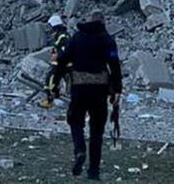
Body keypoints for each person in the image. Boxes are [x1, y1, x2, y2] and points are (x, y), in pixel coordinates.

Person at [51, 11, 122, 181]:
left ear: (89, 21)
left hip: (79, 86)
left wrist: (55, 83)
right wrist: (117, 90)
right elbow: (114, 65)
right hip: (99, 88)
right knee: (97, 130)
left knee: (75, 121)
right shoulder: (107, 39)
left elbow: (62, 60)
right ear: (103, 22)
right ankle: (94, 172)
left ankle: (80, 150)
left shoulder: (77, 37)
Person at [41, 14, 70, 108]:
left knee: (50, 79)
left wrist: (57, 57)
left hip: (64, 64)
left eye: (51, 27)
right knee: (52, 80)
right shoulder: (60, 35)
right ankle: (53, 96)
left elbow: (65, 51)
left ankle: (49, 100)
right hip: (62, 63)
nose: (50, 30)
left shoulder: (63, 36)